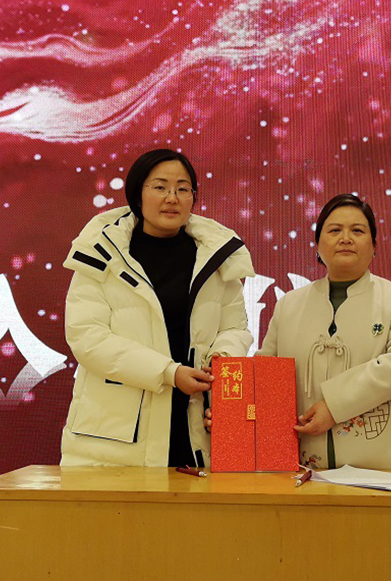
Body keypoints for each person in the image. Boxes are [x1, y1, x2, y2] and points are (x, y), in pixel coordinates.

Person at [60, 148, 254, 467]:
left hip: (195, 426)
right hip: (116, 435)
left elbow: (235, 328)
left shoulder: (217, 256)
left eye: (183, 189)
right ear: (137, 194)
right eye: (160, 187)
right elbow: (87, 337)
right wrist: (169, 373)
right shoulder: (101, 253)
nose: (172, 198)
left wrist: (223, 360)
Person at [254, 193, 391, 470]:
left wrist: (335, 405)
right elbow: (265, 376)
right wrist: (231, 413)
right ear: (317, 244)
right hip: (305, 470)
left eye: (358, 231)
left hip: (389, 468)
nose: (346, 238)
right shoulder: (289, 305)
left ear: (374, 245)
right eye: (335, 230)